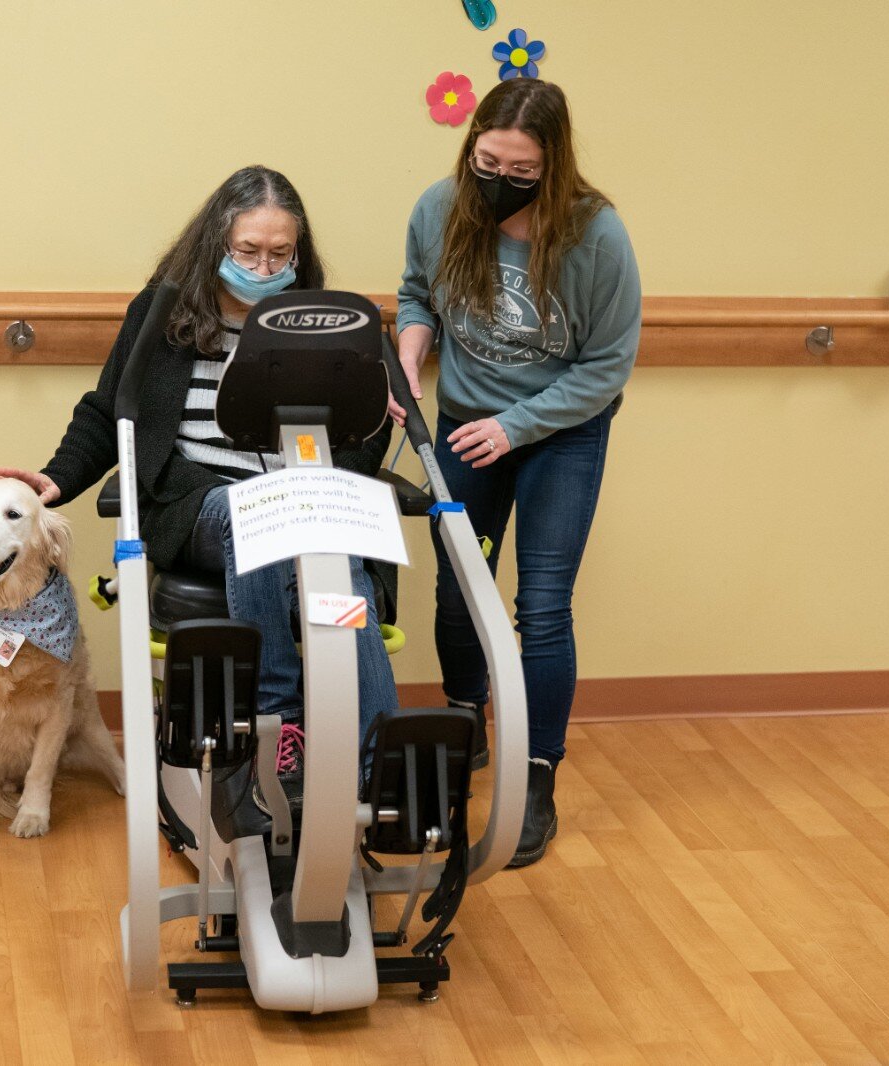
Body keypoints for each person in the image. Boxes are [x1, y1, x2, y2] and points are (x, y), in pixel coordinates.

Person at [0, 165, 397, 797]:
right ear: (217, 244)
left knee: (344, 570)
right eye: (248, 252)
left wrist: (362, 432)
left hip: (304, 500)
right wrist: (55, 478)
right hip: (197, 500)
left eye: (280, 255)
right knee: (249, 514)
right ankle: (282, 720)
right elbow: (109, 409)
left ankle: (380, 771)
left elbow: (365, 437)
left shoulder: (320, 323)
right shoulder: (165, 315)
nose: (264, 270)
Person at [393, 79, 640, 867]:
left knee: (540, 604)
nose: (499, 178)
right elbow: (414, 296)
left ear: (554, 166)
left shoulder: (596, 237)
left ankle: (535, 775)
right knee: (460, 587)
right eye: (487, 159)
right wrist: (410, 351)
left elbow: (607, 364)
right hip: (469, 424)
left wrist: (517, 426)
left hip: (559, 434)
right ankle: (465, 727)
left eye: (522, 170)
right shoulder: (441, 207)